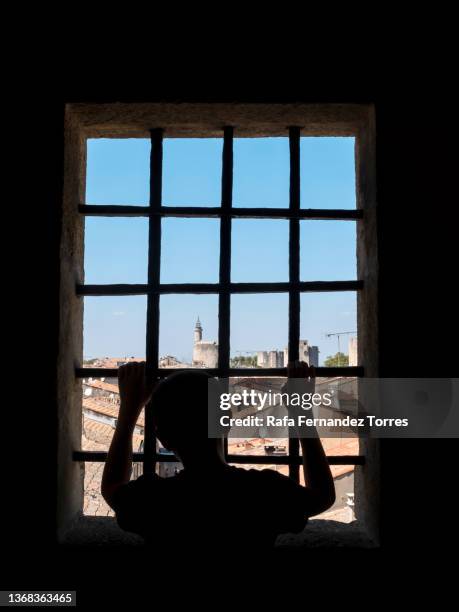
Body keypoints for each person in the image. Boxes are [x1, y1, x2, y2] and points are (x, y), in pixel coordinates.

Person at [102, 361, 335, 551]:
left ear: (163, 438)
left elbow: (112, 486)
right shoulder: (261, 491)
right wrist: (301, 411)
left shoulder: (156, 499)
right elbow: (322, 496)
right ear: (226, 422)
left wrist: (129, 409)